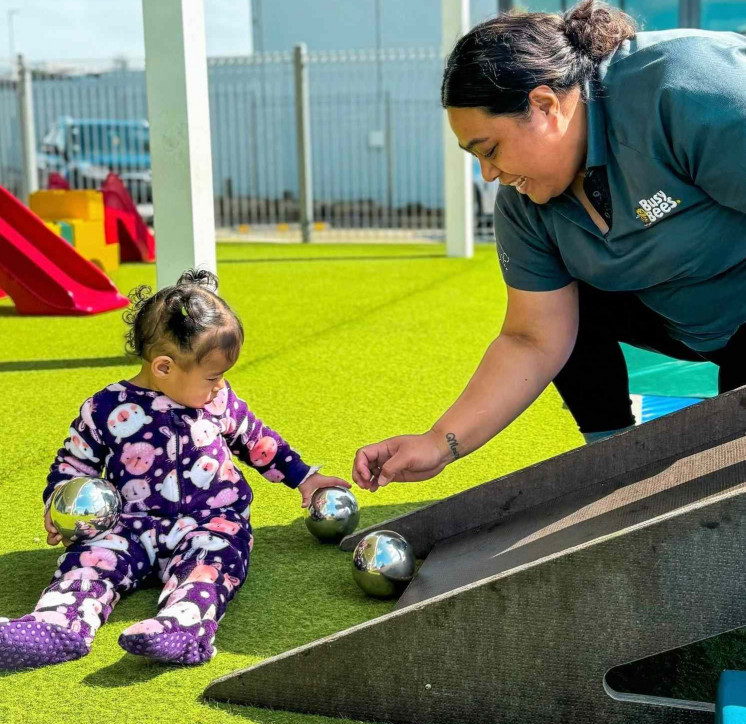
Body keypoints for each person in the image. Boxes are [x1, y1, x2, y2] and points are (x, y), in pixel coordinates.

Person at [353, 0, 746, 492]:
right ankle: (616, 469)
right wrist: (438, 442)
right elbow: (532, 338)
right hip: (678, 320)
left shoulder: (692, 90)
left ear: (545, 105)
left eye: (490, 150)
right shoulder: (523, 202)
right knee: (570, 306)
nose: (489, 174)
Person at [0, 269, 349, 669]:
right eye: (213, 377)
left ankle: (183, 628)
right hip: (128, 525)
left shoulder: (218, 402)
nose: (221, 386)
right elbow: (73, 463)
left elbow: (257, 440)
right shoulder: (106, 408)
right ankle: (59, 626)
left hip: (209, 521)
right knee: (86, 563)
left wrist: (304, 477)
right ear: (164, 367)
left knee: (211, 566)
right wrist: (58, 509)